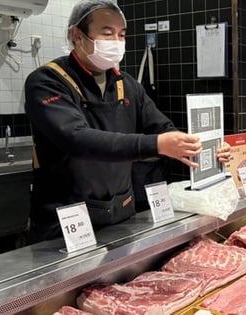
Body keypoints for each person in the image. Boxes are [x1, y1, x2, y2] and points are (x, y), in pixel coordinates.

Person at [24, 0, 229, 244]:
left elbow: (162, 128)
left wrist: (200, 147)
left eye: (121, 35)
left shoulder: (127, 84)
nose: (116, 42)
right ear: (77, 35)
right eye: (107, 33)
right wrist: (157, 145)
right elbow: (76, 138)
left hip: (120, 213)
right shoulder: (47, 81)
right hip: (66, 220)